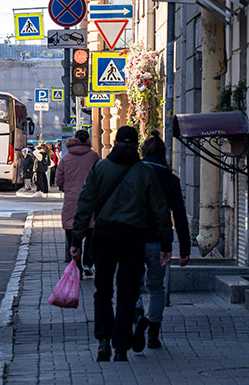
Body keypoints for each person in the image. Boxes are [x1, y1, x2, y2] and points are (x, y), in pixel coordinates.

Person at [70, 125, 172, 363]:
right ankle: (121, 347)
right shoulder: (145, 173)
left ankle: (104, 339)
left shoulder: (100, 168)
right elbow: (160, 210)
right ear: (136, 145)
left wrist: (77, 239)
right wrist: (166, 244)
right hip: (133, 238)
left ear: (114, 142)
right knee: (127, 293)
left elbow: (85, 204)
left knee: (103, 290)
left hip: (103, 237)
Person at [132, 132, 191, 352]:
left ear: (143, 152)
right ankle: (153, 334)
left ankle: (137, 316)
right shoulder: (170, 179)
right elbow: (180, 215)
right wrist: (184, 249)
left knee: (133, 285)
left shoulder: (133, 174)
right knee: (156, 287)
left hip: (134, 239)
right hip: (159, 242)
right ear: (164, 154)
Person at [56, 130, 99, 274]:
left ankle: (77, 265)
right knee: (90, 233)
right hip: (91, 201)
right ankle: (87, 262)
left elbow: (59, 180)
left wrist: (68, 190)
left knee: (72, 235)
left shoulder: (66, 158)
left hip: (71, 201)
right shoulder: (93, 157)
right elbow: (100, 177)